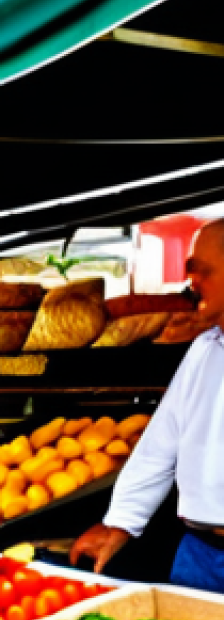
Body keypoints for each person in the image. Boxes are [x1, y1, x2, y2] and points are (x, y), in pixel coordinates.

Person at [71, 219, 224, 585]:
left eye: (204, 272)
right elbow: (159, 446)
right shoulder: (203, 352)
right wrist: (120, 523)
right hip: (198, 552)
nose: (192, 282)